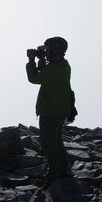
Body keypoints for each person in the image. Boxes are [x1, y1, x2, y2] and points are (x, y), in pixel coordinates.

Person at [26, 36, 72, 185]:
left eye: (48, 50)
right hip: (59, 111)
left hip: (50, 113)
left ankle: (55, 175)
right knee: (57, 143)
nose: (46, 53)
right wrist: (42, 60)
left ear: (55, 51)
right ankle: (64, 171)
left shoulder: (55, 67)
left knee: (49, 145)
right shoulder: (62, 65)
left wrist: (32, 61)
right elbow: (47, 71)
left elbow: (35, 78)